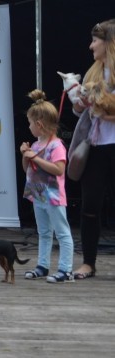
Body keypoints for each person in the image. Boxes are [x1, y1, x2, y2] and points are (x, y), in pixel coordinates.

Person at [72, 19, 115, 280]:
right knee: (90, 204)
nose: (91, 46)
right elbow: (80, 111)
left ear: (109, 43)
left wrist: (106, 111)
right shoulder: (92, 73)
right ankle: (88, 262)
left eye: (95, 41)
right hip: (96, 146)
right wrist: (80, 102)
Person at [19, 90, 74, 283]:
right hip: (38, 192)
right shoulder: (35, 145)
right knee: (43, 231)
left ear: (39, 124)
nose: (29, 126)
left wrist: (35, 158)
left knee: (62, 232)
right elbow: (27, 168)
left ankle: (66, 269)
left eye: (30, 122)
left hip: (53, 194)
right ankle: (42, 265)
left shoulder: (56, 146)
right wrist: (26, 154)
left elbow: (58, 170)